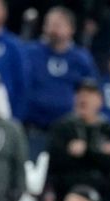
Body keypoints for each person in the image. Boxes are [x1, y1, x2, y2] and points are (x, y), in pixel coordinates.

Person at [46, 79, 110, 201]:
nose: (83, 98)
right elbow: (55, 161)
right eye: (80, 94)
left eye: (89, 94)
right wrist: (100, 153)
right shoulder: (63, 127)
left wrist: (85, 151)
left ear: (100, 100)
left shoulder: (108, 129)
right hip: (66, 197)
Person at [23, 7, 98, 135]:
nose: (54, 29)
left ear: (71, 29)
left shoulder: (81, 59)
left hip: (68, 131)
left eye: (58, 25)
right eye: (49, 24)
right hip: (32, 127)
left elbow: (92, 91)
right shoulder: (30, 53)